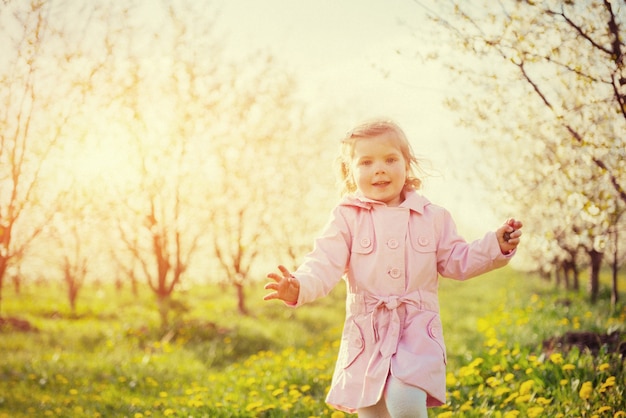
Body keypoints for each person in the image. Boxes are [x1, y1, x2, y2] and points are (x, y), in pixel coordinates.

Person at [264, 119, 523, 418]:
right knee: (372, 409)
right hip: (368, 333)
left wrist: (496, 245)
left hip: (415, 330)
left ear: (406, 164)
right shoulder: (346, 217)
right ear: (350, 171)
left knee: (404, 398)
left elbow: (457, 259)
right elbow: (324, 262)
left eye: (390, 159)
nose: (380, 169)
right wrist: (299, 285)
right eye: (366, 162)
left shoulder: (432, 216)